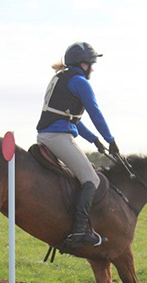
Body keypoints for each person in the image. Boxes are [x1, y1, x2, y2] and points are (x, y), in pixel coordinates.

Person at [37, 41, 119, 249]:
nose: (92, 69)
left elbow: (72, 119)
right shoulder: (80, 82)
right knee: (91, 178)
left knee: (81, 176)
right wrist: (110, 140)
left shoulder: (61, 78)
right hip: (58, 137)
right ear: (83, 64)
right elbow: (95, 113)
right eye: (91, 64)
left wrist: (94, 140)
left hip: (48, 135)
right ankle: (80, 230)